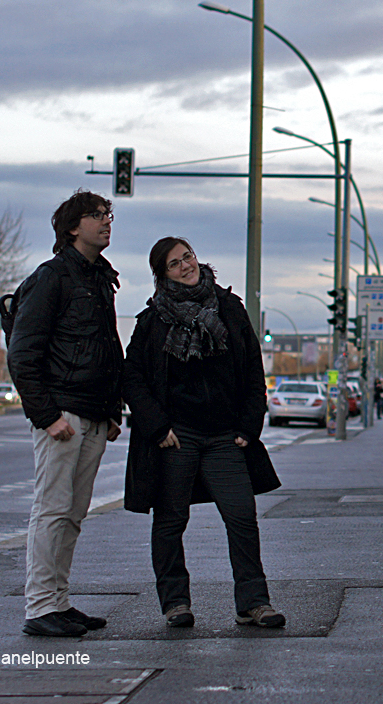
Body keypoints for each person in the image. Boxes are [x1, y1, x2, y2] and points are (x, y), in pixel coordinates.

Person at [122, 237, 284, 630]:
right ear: (162, 275)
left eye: (188, 257)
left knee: (242, 516)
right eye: (175, 264)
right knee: (170, 520)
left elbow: (251, 371)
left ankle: (253, 603)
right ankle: (175, 603)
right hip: (177, 437)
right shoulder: (153, 320)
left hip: (225, 436)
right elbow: (132, 377)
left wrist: (249, 424)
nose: (186, 266)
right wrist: (157, 427)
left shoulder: (228, 308)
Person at [8, 190, 123, 638]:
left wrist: (112, 409)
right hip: (63, 417)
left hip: (93, 415)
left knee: (73, 514)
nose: (106, 222)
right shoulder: (51, 277)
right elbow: (23, 353)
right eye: (97, 215)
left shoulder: (99, 278)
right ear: (73, 227)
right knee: (52, 511)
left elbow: (105, 348)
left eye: (108, 215)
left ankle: (58, 601)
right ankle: (39, 607)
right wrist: (46, 415)